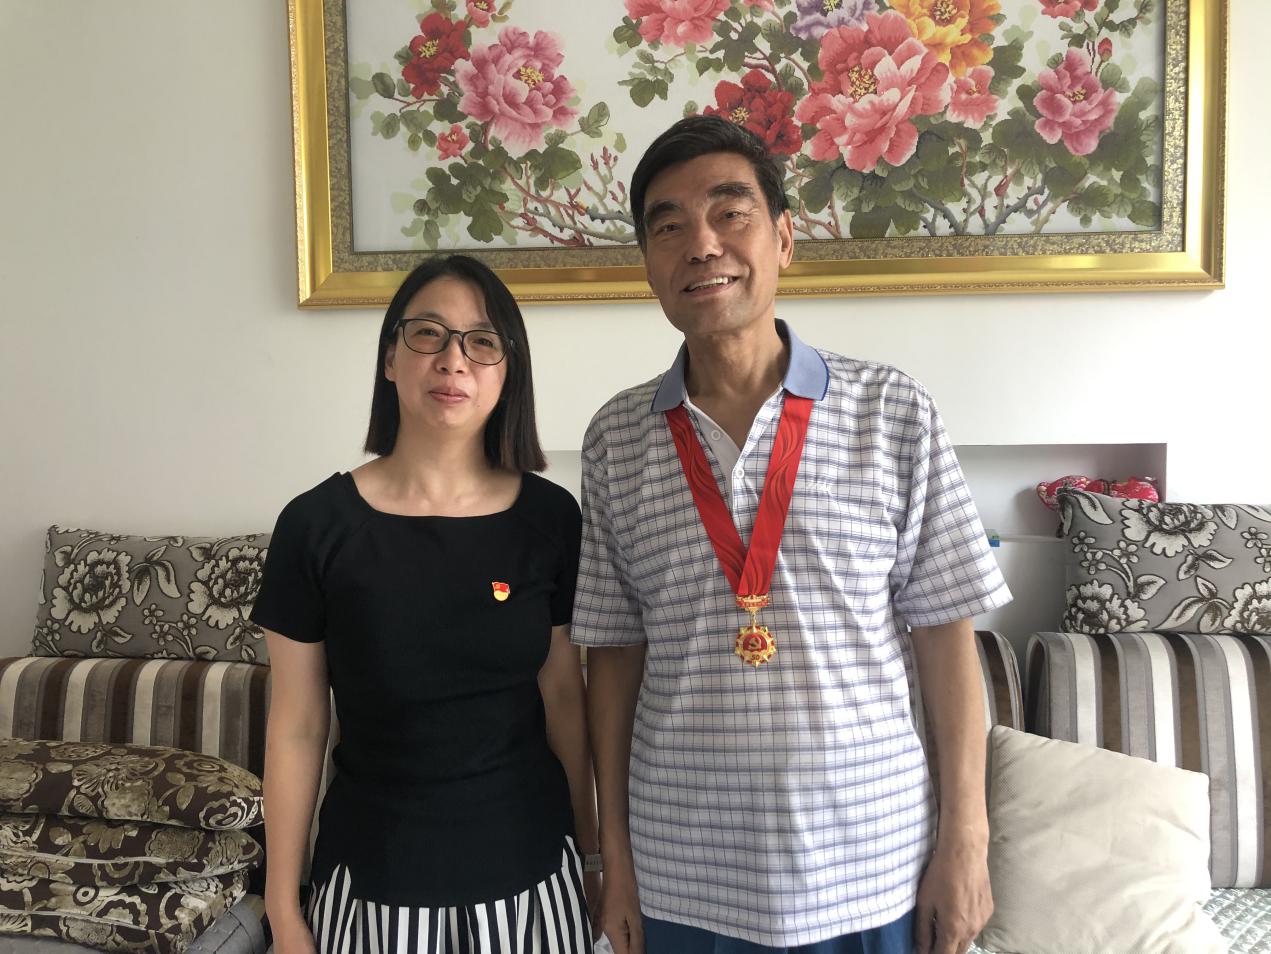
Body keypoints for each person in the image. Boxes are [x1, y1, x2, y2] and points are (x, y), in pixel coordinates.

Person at [572, 116, 1011, 954]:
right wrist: (613, 860)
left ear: (781, 238)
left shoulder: (891, 411)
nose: (701, 245)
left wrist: (966, 842)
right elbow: (613, 659)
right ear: (648, 263)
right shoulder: (616, 439)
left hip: (871, 866)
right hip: (682, 875)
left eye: (728, 213)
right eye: (668, 226)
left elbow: (945, 636)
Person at [253, 255, 598, 954]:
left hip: (533, 875)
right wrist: (283, 909)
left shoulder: (551, 518)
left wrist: (593, 859)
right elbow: (297, 727)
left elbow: (563, 693)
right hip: (373, 880)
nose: (453, 360)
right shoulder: (315, 525)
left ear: (508, 371)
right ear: (390, 357)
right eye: (428, 333)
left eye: (482, 341)